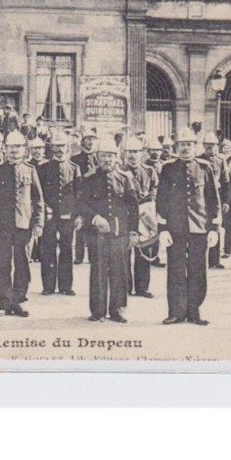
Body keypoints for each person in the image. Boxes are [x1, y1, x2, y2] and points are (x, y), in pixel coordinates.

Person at [156, 127, 221, 325]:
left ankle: (194, 311)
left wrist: (214, 229)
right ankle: (176, 312)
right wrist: (163, 229)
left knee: (198, 270)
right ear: (176, 147)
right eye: (182, 145)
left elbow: (213, 201)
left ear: (195, 146)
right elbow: (161, 200)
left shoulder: (205, 168)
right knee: (175, 270)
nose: (185, 148)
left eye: (189, 144)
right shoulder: (167, 168)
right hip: (175, 228)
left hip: (199, 228)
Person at [78, 135, 139, 322]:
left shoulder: (125, 178)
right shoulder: (88, 178)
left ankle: (117, 309)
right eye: (104, 156)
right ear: (97, 156)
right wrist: (95, 218)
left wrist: (134, 232)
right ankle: (97, 310)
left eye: (111, 156)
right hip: (96, 233)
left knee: (119, 271)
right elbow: (80, 203)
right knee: (98, 270)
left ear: (117, 157)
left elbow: (133, 207)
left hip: (119, 233)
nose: (107, 160)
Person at [0, 130, 44, 318]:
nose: (14, 150)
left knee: (22, 264)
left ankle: (19, 302)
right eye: (11, 147)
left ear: (24, 149)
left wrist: (38, 223)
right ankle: (3, 303)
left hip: (24, 226)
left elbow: (38, 200)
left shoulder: (30, 169)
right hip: (2, 226)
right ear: (5, 148)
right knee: (2, 264)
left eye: (18, 147)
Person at [36, 129, 82, 296]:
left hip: (67, 216)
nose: (59, 149)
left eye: (62, 146)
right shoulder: (43, 168)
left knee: (67, 250)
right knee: (47, 250)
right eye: (56, 146)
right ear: (51, 148)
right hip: (49, 216)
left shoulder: (74, 168)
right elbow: (38, 193)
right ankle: (48, 286)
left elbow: (79, 194)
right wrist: (44, 208)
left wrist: (77, 215)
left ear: (68, 147)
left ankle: (65, 286)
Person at [121, 137, 158, 298]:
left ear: (141, 153)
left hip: (144, 216)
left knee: (144, 252)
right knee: (125, 253)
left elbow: (155, 189)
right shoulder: (120, 171)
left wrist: (145, 203)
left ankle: (142, 288)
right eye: (129, 151)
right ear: (125, 153)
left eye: (136, 152)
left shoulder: (149, 171)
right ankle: (126, 287)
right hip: (126, 216)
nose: (132, 155)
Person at [198, 131, 231, 270]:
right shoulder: (198, 159)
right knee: (201, 228)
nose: (209, 148)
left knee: (216, 227)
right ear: (203, 145)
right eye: (207, 145)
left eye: (212, 145)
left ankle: (214, 260)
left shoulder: (220, 160)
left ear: (216, 146)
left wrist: (225, 201)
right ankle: (199, 258)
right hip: (202, 198)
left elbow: (226, 182)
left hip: (216, 198)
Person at [71, 127, 99, 265]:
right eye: (88, 139)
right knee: (80, 225)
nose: (91, 142)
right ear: (82, 142)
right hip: (81, 195)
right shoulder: (75, 158)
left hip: (95, 196)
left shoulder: (99, 157)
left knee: (93, 225)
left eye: (93, 139)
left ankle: (93, 254)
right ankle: (79, 255)